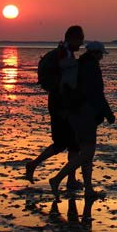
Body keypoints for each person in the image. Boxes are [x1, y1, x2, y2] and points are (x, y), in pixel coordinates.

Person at [49, 41, 115, 200]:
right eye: (100, 54)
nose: (101, 58)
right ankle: (57, 179)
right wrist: (108, 113)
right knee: (87, 153)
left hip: (75, 113)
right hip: (84, 114)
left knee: (86, 153)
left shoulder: (79, 64)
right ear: (95, 53)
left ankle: (89, 190)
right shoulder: (91, 68)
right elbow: (97, 94)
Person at [25, 25, 85, 186]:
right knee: (63, 143)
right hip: (61, 103)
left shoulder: (62, 53)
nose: (82, 43)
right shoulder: (63, 54)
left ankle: (70, 179)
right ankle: (34, 165)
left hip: (61, 101)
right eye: (80, 39)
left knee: (72, 143)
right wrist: (66, 106)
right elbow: (66, 82)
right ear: (72, 38)